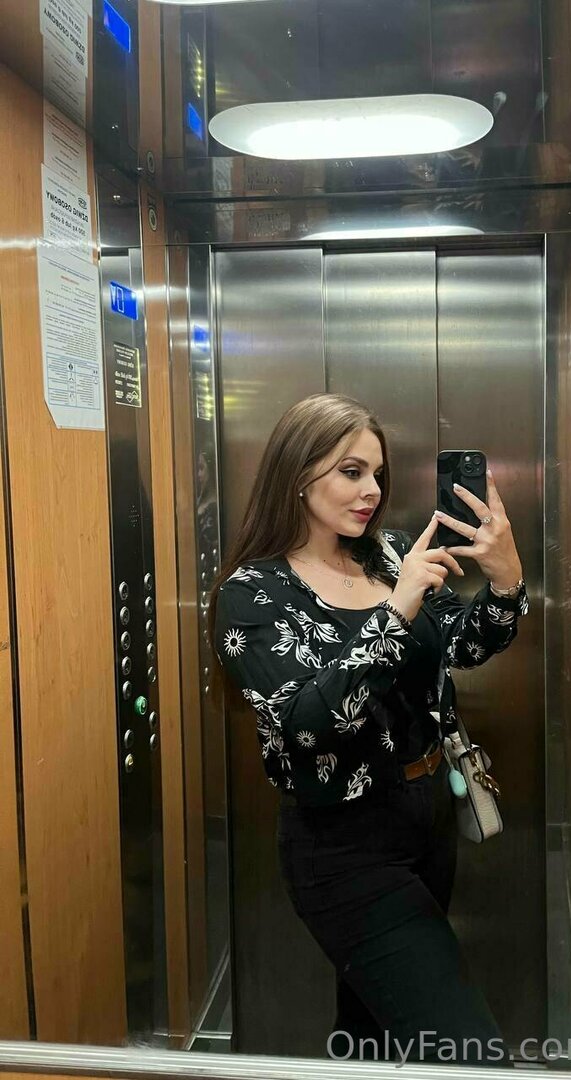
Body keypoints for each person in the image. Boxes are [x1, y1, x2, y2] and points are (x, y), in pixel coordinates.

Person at [209, 393, 528, 1067]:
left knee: (375, 1028)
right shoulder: (253, 594)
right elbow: (309, 725)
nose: (373, 491)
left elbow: (462, 646)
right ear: (298, 474)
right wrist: (399, 608)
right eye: (351, 472)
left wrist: (504, 584)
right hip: (342, 846)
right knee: (468, 1054)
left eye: (377, 474)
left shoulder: (388, 555)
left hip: (428, 817)